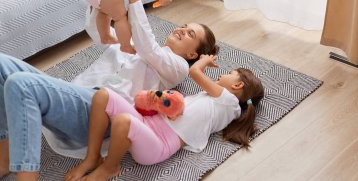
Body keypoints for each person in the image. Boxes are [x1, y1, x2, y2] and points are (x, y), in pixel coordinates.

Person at [0, 0, 218, 181]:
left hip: (99, 114)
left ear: (193, 53)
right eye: (184, 26)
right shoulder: (132, 41)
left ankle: (27, 176)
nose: (181, 30)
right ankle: (4, 159)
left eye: (190, 33)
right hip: (77, 95)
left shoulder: (177, 67)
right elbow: (98, 31)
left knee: (20, 83)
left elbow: (148, 47)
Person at [65, 54, 264, 181]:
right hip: (148, 125)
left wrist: (203, 61)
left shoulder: (229, 103)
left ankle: (110, 167)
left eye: (230, 73)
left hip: (158, 144)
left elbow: (194, 71)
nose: (222, 75)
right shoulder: (214, 100)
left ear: (238, 86)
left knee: (123, 121)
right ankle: (93, 157)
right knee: (103, 95)